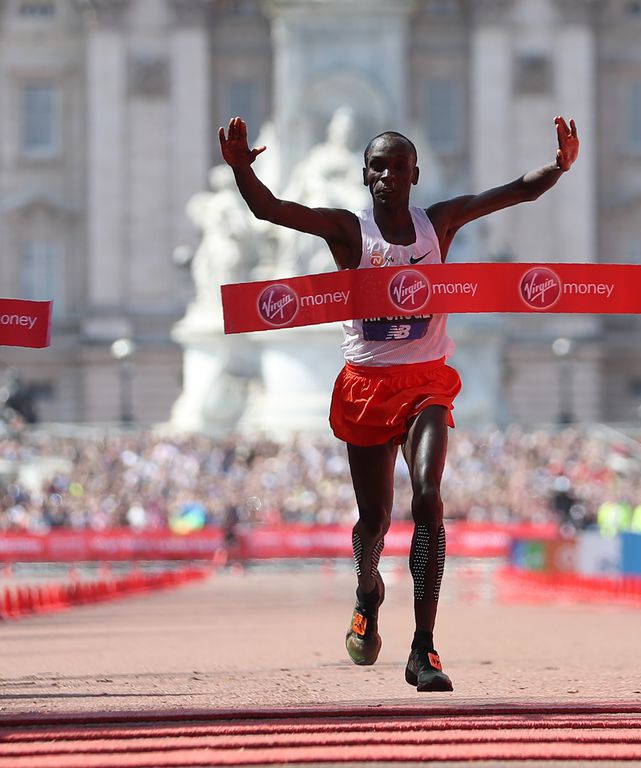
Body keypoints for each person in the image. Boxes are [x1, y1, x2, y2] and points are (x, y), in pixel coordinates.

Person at [218, 113, 579, 692]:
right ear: (365, 175)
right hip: (367, 385)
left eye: (399, 166)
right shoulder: (347, 230)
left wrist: (559, 166)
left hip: (427, 383)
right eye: (378, 167)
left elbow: (512, 193)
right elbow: (273, 210)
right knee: (375, 521)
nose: (388, 175)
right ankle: (367, 591)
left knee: (430, 497)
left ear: (416, 174)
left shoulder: (439, 223)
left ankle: (423, 648)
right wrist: (239, 169)